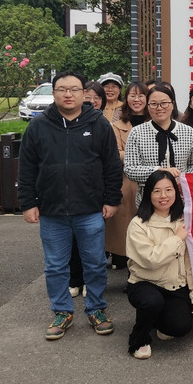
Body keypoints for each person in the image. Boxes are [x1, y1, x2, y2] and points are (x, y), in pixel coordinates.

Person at [18, 71, 122, 340]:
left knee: (95, 264)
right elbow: (27, 168)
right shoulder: (39, 126)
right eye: (62, 89)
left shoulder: (98, 124)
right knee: (55, 266)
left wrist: (112, 199)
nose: (68, 94)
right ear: (53, 93)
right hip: (52, 211)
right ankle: (62, 311)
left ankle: (96, 309)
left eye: (74, 89)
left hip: (90, 209)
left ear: (83, 94)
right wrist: (28, 203)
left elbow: (111, 165)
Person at [125, 171, 193, 359]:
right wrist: (177, 239)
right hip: (145, 282)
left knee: (181, 327)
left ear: (176, 192)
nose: (163, 196)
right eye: (157, 191)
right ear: (148, 194)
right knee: (152, 302)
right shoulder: (138, 224)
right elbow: (151, 260)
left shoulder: (184, 220)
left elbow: (189, 263)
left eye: (168, 190)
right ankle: (139, 338)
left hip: (174, 285)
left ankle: (157, 320)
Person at [124, 86, 193, 207]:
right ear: (148, 106)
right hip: (148, 200)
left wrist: (182, 179)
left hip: (181, 199)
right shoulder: (137, 132)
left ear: (172, 104)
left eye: (164, 103)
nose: (159, 108)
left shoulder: (188, 132)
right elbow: (130, 169)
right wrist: (159, 172)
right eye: (154, 104)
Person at [69, 80, 109, 297]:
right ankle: (75, 279)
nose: (92, 101)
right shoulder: (69, 123)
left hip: (96, 194)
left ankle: (90, 284)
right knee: (73, 241)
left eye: (97, 98)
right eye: (88, 97)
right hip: (72, 193)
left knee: (94, 244)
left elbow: (110, 163)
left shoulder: (103, 124)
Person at [105, 81, 150, 270]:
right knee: (125, 230)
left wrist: (131, 154)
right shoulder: (116, 126)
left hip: (151, 183)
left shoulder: (155, 123)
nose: (136, 99)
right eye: (132, 95)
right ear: (126, 98)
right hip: (126, 184)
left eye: (141, 95)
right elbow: (115, 154)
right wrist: (143, 154)